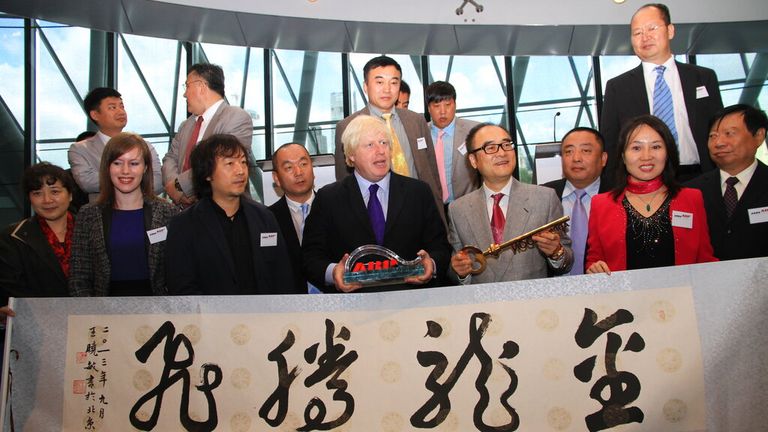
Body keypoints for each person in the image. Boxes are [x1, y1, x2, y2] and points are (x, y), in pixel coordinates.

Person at [303, 115, 450, 293]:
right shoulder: (329, 198)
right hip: (353, 307)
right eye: (370, 145)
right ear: (351, 154)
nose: (380, 151)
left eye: (384, 143)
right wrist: (333, 272)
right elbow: (310, 257)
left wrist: (431, 264)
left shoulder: (418, 192)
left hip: (410, 302)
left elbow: (441, 247)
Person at [600, 3, 723, 186]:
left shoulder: (703, 77)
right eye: (637, 33)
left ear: (670, 30)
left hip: (700, 177)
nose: (645, 37)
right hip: (643, 183)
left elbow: (718, 131)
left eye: (652, 28)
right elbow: (611, 145)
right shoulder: (617, 87)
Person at [586, 115, 717, 274]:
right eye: (636, 148)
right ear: (623, 156)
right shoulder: (601, 204)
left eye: (656, 147)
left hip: (680, 295)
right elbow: (594, 259)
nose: (646, 156)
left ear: (668, 152)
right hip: (626, 297)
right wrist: (594, 268)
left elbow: (705, 258)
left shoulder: (691, 198)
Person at [166, 134, 295, 295]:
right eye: (230, 164)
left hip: (262, 316)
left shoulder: (264, 217)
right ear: (207, 173)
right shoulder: (184, 225)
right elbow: (181, 287)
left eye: (243, 162)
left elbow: (283, 277)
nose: (240, 171)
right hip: (208, 318)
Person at [449, 123, 573, 283]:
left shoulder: (544, 198)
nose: (501, 152)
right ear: (473, 160)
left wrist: (556, 252)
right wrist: (460, 272)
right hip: (482, 304)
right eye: (491, 147)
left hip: (531, 304)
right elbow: (454, 270)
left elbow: (567, 261)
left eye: (506, 145)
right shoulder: (458, 210)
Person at [333, 56, 444, 219]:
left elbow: (431, 172)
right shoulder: (348, 126)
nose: (387, 89)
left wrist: (439, 213)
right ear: (365, 86)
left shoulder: (416, 120)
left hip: (420, 209)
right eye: (379, 82)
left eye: (393, 82)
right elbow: (345, 181)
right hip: (377, 213)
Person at [69, 133, 178, 296]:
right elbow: (79, 276)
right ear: (107, 167)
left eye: (134, 163)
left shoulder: (167, 212)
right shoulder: (88, 215)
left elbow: (178, 271)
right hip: (103, 313)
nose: (125, 171)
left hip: (158, 311)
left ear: (146, 167)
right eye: (117, 163)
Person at [163, 63, 254, 207]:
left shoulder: (236, 117)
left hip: (223, 212)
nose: (184, 94)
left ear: (201, 86)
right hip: (187, 213)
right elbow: (170, 158)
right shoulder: (186, 125)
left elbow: (219, 162)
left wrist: (179, 187)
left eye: (187, 86)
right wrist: (173, 187)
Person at [687, 104, 768, 260]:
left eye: (729, 133)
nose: (719, 143)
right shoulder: (690, 191)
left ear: (759, 136)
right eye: (713, 136)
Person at [68, 88, 163, 202]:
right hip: (102, 214)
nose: (121, 112)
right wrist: (135, 176)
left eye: (122, 106)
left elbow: (158, 181)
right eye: (112, 107)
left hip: (144, 211)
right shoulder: (80, 149)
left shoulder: (145, 146)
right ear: (95, 115)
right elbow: (86, 182)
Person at [0, 163, 75, 299]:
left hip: (91, 316)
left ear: (70, 195)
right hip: (37, 317)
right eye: (37, 193)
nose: (47, 200)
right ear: (29, 199)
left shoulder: (91, 230)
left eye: (55, 191)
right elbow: (10, 288)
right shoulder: (13, 237)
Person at [542, 127, 608, 274]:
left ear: (603, 159)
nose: (576, 158)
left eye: (586, 151)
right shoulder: (543, 195)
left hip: (606, 289)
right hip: (553, 291)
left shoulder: (618, 196)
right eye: (568, 151)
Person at [268, 142, 319, 294]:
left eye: (304, 164)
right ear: (276, 178)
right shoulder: (267, 219)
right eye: (289, 167)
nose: (298, 172)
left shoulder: (334, 208)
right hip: (290, 307)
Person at [426, 80, 481, 205]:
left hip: (468, 205)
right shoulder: (420, 133)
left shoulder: (474, 131)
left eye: (448, 104)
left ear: (455, 104)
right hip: (432, 207)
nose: (443, 111)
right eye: (436, 106)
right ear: (429, 108)